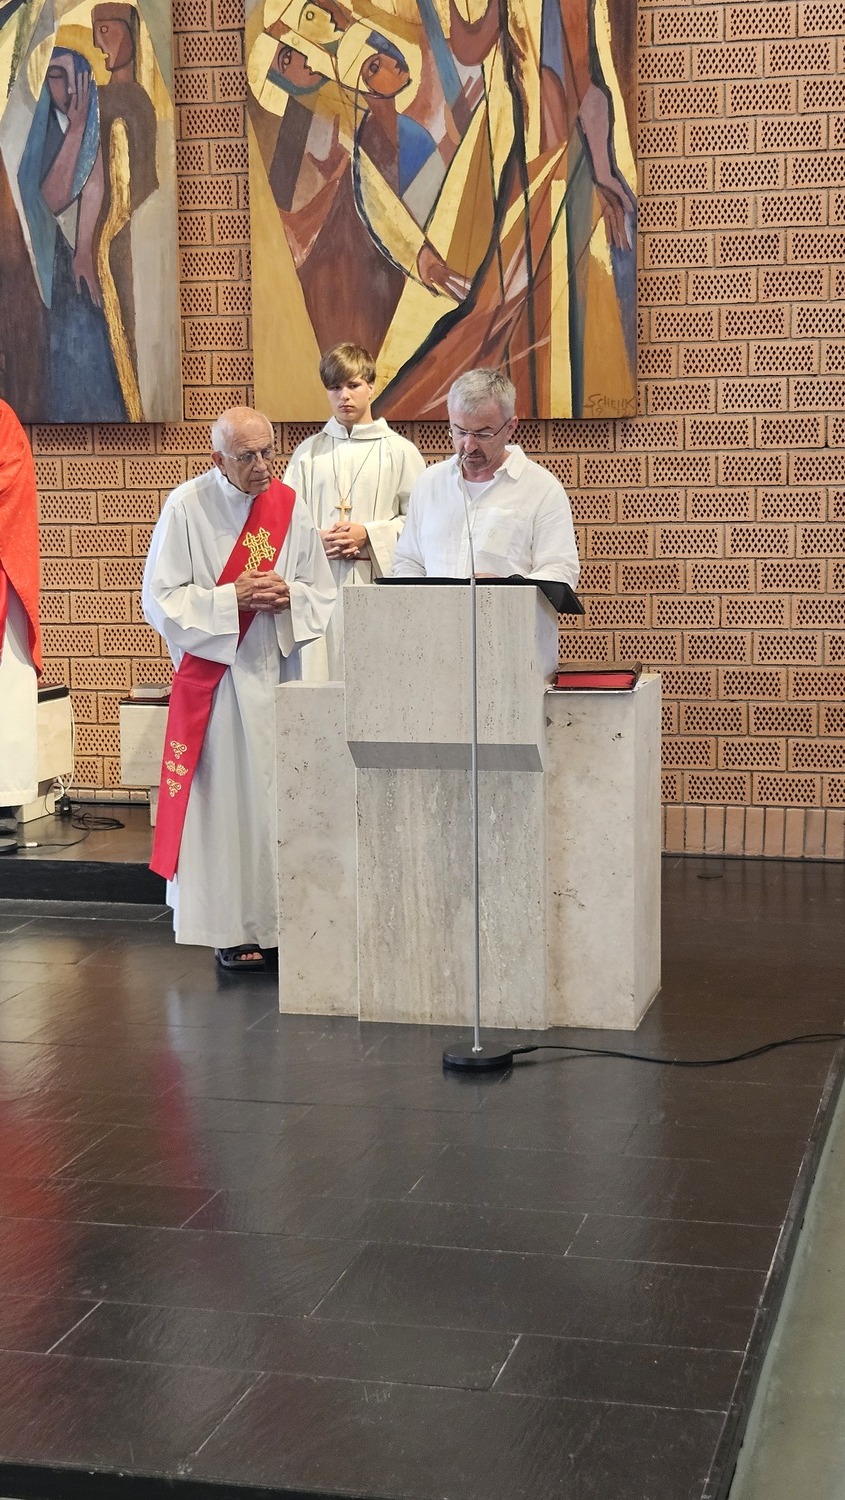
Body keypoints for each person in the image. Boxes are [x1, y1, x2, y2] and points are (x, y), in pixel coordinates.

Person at [142, 406, 336, 972]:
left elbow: (320, 589)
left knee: (277, 806)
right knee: (226, 810)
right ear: (217, 459)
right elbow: (161, 601)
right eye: (247, 456)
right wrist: (232, 600)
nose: (262, 465)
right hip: (218, 688)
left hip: (277, 676)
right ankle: (230, 928)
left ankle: (282, 924)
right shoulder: (186, 507)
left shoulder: (289, 505)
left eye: (268, 451)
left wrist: (290, 597)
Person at [283, 343, 424, 679]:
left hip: (374, 583)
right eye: (335, 387)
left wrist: (369, 534)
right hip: (320, 585)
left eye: (353, 385)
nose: (344, 396)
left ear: (371, 386)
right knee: (320, 676)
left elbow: (422, 525)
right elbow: (286, 522)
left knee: (375, 677)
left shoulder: (400, 452)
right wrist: (316, 539)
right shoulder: (308, 454)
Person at [391, 368, 580, 582]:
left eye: (483, 434)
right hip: (435, 606)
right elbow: (408, 561)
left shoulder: (542, 488)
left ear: (510, 427)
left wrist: (508, 588)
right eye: (460, 432)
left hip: (507, 605)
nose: (469, 446)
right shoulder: (430, 482)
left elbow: (561, 571)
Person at [0, 400, 41, 855]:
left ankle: (2, 807)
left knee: (5, 693)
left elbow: (9, 481)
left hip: (2, 575)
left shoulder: (2, 419)